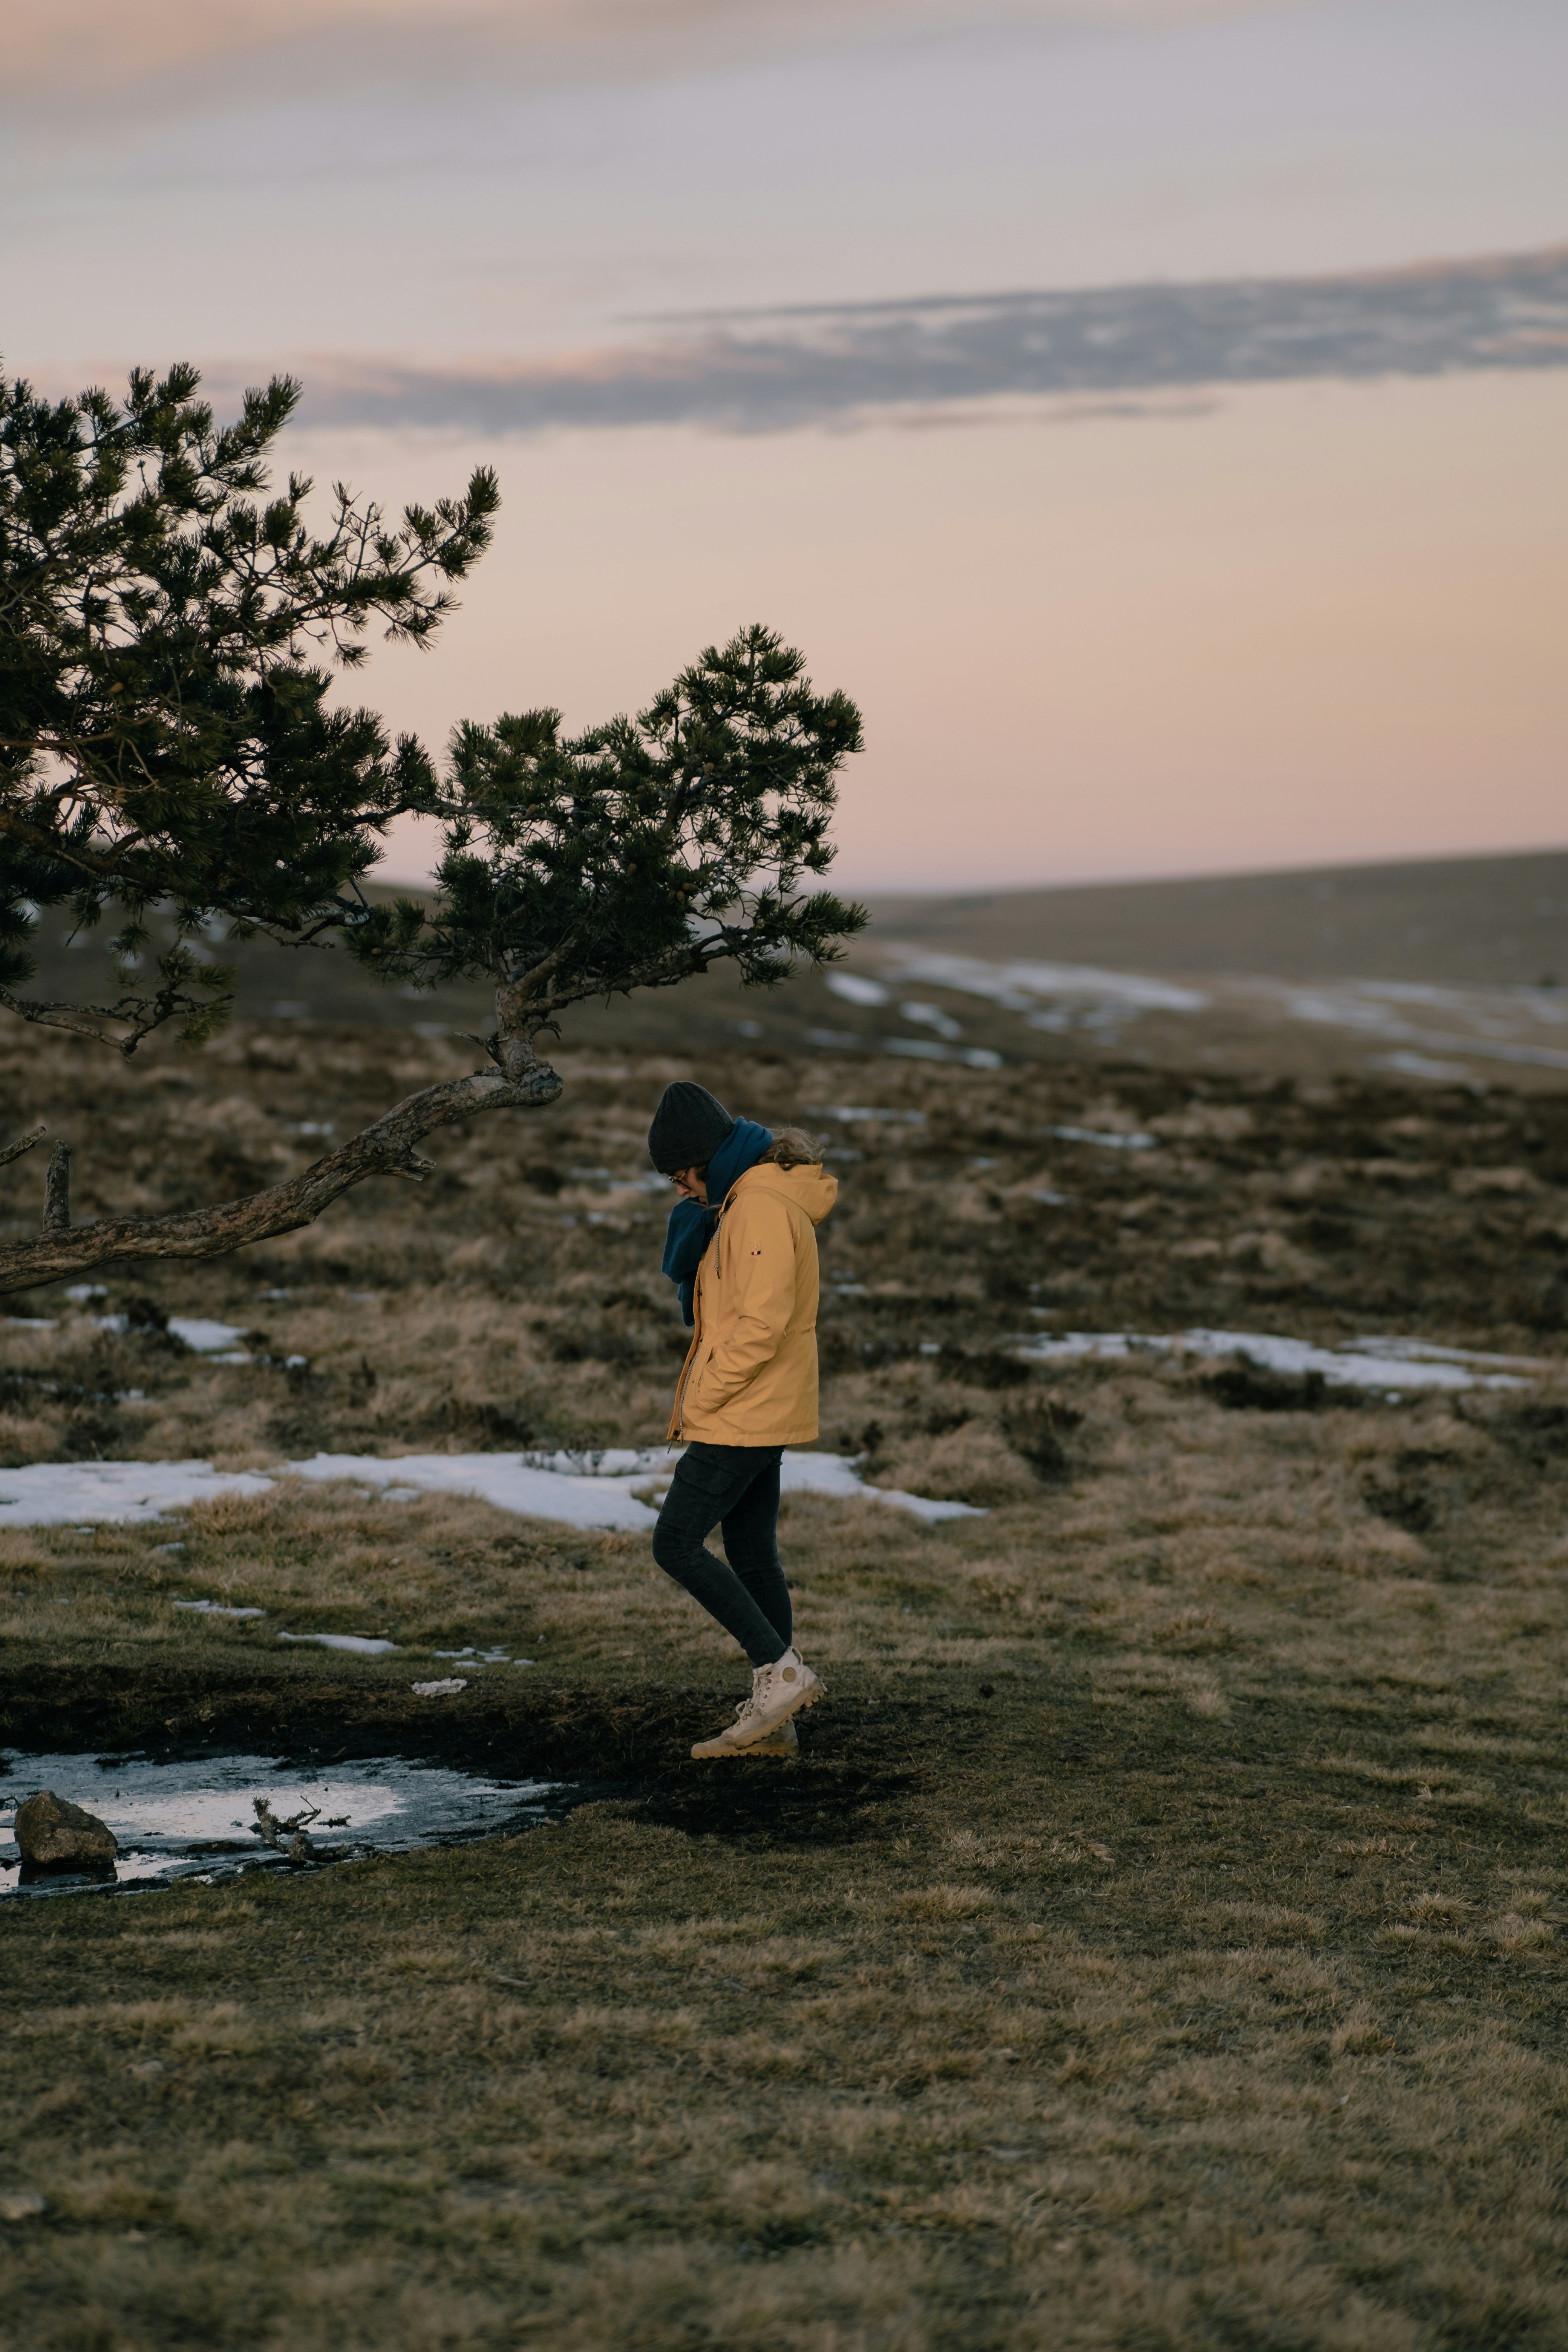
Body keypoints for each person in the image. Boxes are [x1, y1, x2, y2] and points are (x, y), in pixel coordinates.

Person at [647, 1081, 835, 1759]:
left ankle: (781, 1677)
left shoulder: (755, 1208)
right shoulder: (750, 1198)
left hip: (744, 1409)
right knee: (753, 1554)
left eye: (678, 1175)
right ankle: (775, 1719)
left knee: (675, 1542)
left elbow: (760, 1325)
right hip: (764, 1405)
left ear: (703, 1160)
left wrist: (707, 1398)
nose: (678, 1190)